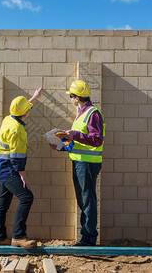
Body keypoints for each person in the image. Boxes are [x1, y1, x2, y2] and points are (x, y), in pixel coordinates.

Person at [50, 80, 105, 246]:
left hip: (87, 164)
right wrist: (62, 146)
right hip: (79, 162)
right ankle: (86, 237)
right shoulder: (81, 113)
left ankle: (88, 239)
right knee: (83, 201)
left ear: (78, 97)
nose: (70, 99)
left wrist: (73, 134)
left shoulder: (93, 114)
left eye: (72, 96)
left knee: (88, 200)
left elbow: (96, 139)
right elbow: (80, 142)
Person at [0, 87, 43, 248]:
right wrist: (23, 176)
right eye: (28, 110)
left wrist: (34, 98)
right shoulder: (18, 130)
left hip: (1, 167)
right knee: (27, 197)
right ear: (25, 114)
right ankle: (18, 237)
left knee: (3, 203)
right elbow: (17, 157)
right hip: (9, 169)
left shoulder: (9, 119)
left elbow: (21, 109)